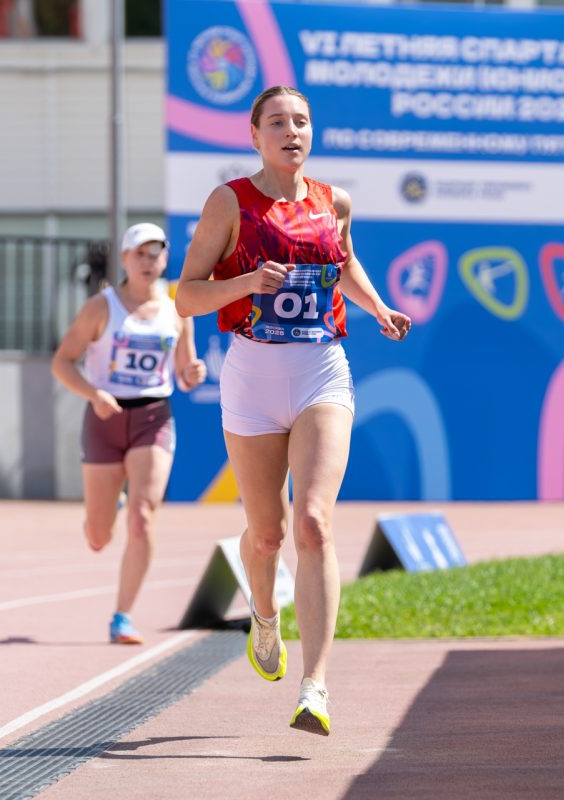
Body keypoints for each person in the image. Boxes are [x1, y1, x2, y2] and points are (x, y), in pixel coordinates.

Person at [175, 85, 412, 736]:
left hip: (320, 370)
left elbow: (347, 263)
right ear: (254, 135)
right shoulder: (230, 203)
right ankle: (265, 615)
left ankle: (316, 685)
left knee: (313, 524)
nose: (292, 131)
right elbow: (188, 296)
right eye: (277, 121)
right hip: (252, 376)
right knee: (268, 535)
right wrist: (247, 282)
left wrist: (379, 308)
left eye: (302, 121)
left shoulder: (333, 201)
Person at [51, 222, 206, 644]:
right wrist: (94, 393)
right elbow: (62, 362)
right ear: (124, 259)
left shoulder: (177, 310)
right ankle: (104, 514)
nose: (148, 261)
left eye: (155, 253)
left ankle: (122, 616)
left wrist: (193, 373)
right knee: (99, 536)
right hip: (104, 417)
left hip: (153, 417)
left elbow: (185, 373)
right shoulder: (101, 308)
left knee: (143, 518)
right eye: (139, 253)